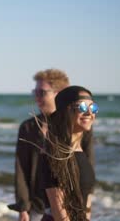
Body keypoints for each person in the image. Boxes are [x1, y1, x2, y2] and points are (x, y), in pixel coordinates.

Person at [9, 69, 94, 221]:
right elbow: (21, 168)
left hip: (71, 208)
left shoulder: (81, 128)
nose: (36, 97)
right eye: (35, 92)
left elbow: (87, 165)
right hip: (36, 206)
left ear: (58, 93)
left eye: (42, 93)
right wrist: (23, 207)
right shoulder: (29, 127)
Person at [41, 86, 98, 221]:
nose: (89, 113)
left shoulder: (81, 151)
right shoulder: (54, 155)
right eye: (82, 107)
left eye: (93, 107)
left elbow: (86, 201)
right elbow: (58, 211)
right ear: (66, 111)